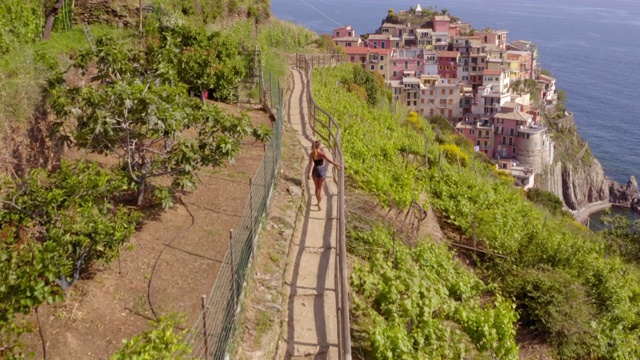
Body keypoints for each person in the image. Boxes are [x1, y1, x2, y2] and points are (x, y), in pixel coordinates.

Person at [307, 140, 342, 210]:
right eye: (321, 145)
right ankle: (319, 203)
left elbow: (311, 165)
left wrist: (309, 173)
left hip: (315, 170)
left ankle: (318, 202)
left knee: (317, 188)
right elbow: (330, 161)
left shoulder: (312, 154)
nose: (322, 146)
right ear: (319, 146)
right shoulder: (322, 154)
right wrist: (338, 165)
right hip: (322, 170)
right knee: (321, 188)